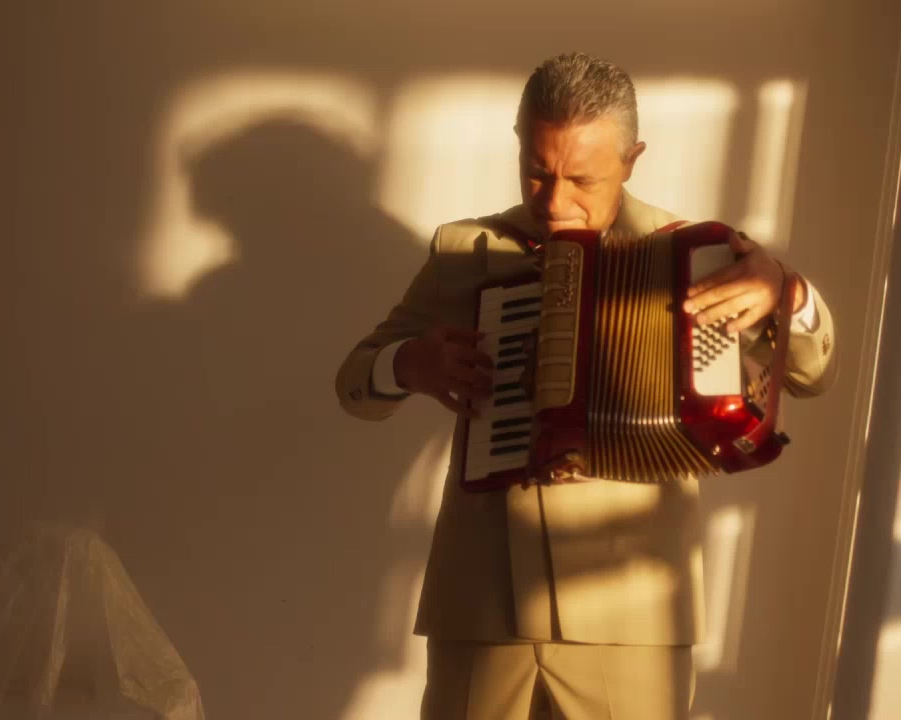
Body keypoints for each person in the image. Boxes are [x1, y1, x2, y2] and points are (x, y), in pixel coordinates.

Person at [335, 52, 836, 720]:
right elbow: (353, 381)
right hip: (482, 603)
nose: (554, 201)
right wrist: (405, 365)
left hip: (632, 608)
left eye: (581, 179)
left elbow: (810, 374)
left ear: (632, 160)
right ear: (519, 144)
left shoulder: (698, 255)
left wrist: (789, 294)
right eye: (537, 171)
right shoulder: (464, 251)